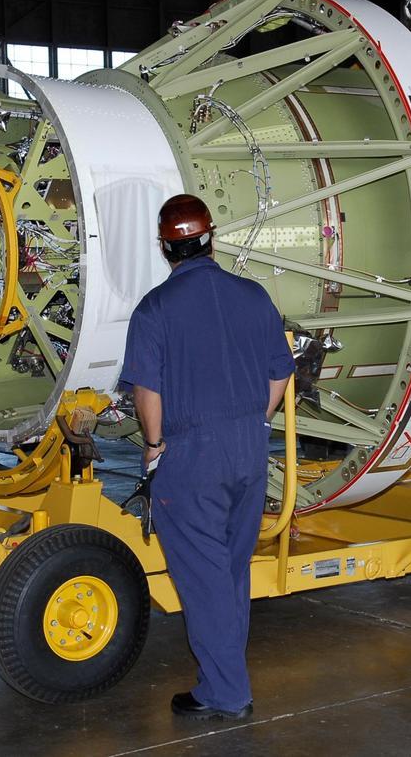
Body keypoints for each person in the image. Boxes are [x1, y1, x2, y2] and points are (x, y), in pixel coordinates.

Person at [119, 194, 294, 721]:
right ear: (210, 238)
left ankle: (226, 691)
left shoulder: (154, 308)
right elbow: (281, 372)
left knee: (204, 576)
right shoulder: (252, 295)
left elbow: (147, 392)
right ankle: (222, 675)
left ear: (165, 247)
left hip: (190, 455)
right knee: (230, 570)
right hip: (248, 447)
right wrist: (251, 420)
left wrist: (153, 447)